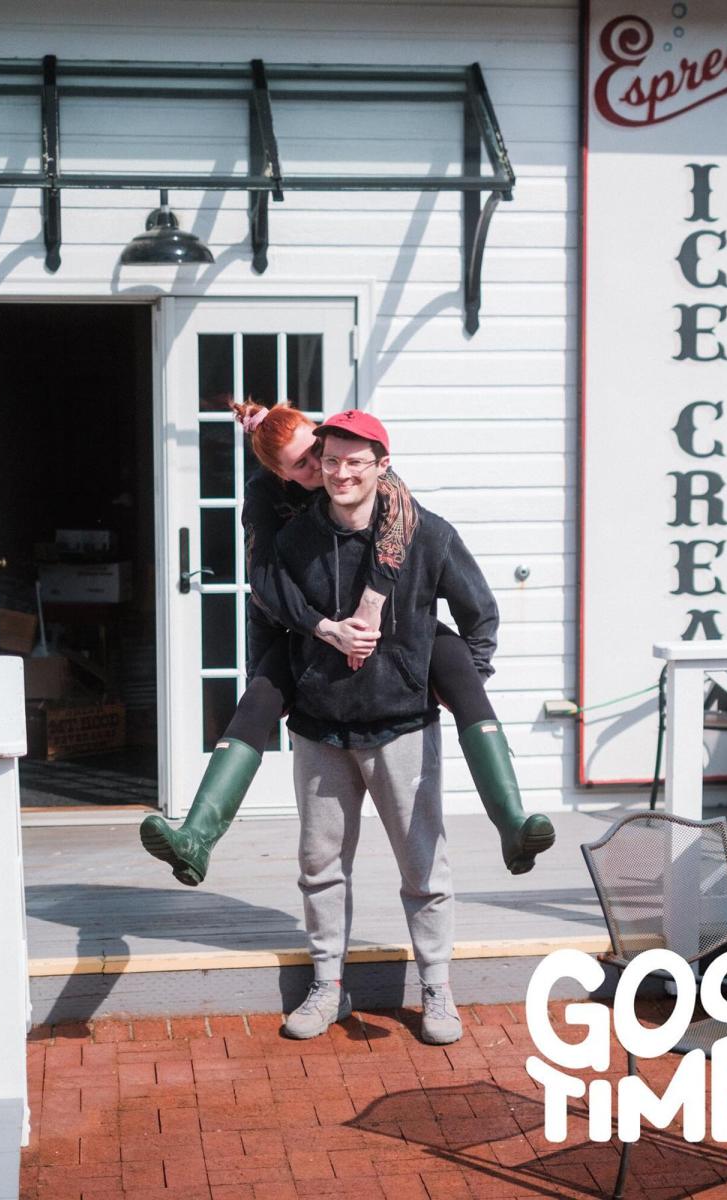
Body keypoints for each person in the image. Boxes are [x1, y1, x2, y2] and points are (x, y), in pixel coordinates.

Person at [139, 403, 554, 886]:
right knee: (257, 700)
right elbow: (267, 585)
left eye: (318, 450)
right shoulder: (268, 503)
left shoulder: (379, 478)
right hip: (306, 630)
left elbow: (400, 537)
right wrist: (322, 629)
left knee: (459, 667)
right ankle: (196, 837)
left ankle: (513, 823)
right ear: (279, 474)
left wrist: (372, 607)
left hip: (392, 628)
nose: (321, 466)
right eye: (303, 464)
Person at [265, 410, 497, 1044]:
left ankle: (437, 989)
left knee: (424, 868)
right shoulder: (295, 538)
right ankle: (326, 987)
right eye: (331, 460)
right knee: (320, 866)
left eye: (355, 462)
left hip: (402, 729)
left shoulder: (428, 537)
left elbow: (479, 614)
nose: (340, 473)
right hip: (320, 729)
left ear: (381, 466)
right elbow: (275, 614)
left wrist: (451, 685)